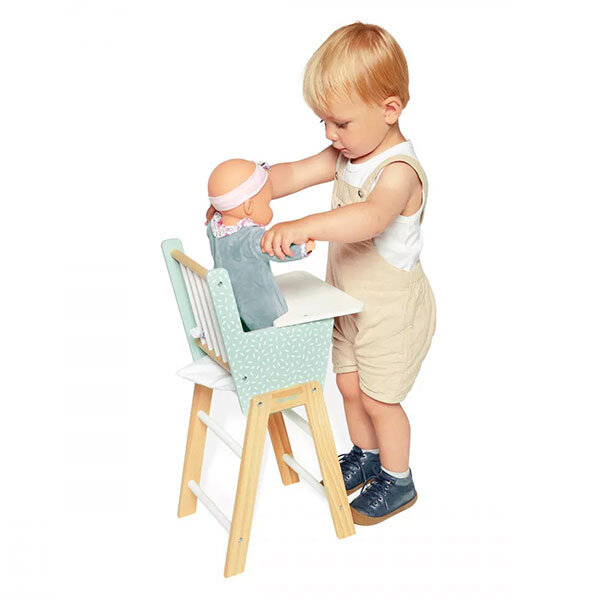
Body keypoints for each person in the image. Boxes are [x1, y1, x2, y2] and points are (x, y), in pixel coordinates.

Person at [206, 22, 436, 525]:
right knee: (349, 387)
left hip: (392, 313)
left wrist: (304, 224)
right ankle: (366, 455)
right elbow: (290, 173)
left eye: (341, 123)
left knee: (379, 398)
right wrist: (241, 196)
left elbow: (370, 217)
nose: (331, 135)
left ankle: (398, 479)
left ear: (390, 109)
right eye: (324, 122)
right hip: (347, 301)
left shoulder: (398, 172)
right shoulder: (347, 153)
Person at [206, 158, 315, 331]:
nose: (268, 207)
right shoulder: (250, 237)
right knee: (280, 320)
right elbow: (275, 248)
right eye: (267, 203)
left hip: (229, 302)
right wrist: (302, 248)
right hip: (259, 307)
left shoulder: (214, 228)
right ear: (249, 207)